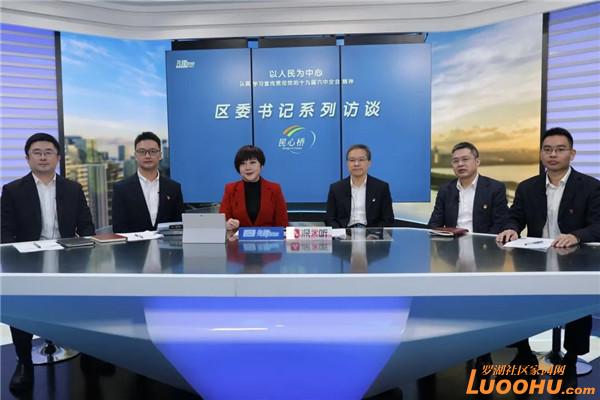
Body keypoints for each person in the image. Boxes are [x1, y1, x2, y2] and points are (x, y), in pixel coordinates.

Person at [497, 127, 600, 375]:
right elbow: (514, 216)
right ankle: (524, 354)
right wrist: (511, 228)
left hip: (574, 259)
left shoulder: (591, 187)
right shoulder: (527, 187)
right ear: (541, 153)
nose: (553, 154)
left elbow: (598, 225)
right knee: (515, 301)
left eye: (560, 149)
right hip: (534, 258)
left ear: (572, 154)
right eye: (547, 149)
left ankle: (571, 359)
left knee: (577, 308)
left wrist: (576, 236)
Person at [1, 132, 95, 393]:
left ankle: (90, 354)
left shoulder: (73, 189)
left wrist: (85, 253)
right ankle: (24, 362)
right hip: (27, 259)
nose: (43, 157)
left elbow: (86, 226)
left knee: (85, 303)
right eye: (37, 153)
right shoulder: (12, 190)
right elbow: (4, 231)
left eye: (48, 152)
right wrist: (17, 257)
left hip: (68, 258)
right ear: (28, 158)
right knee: (21, 308)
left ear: (58, 157)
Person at [428, 142, 508, 234]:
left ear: (477, 162)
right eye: (455, 161)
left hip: (484, 241)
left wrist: (483, 241)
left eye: (465, 159)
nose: (460, 164)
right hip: (452, 241)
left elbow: (500, 224)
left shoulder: (495, 188)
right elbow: (435, 223)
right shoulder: (445, 190)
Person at [112, 132, 184, 233]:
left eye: (153, 151)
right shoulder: (121, 189)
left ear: (160, 155)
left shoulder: (174, 188)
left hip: (167, 243)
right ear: (135, 155)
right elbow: (119, 228)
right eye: (142, 151)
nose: (147, 156)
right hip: (134, 243)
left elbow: (179, 226)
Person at [325, 144, 394, 228]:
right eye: (352, 160)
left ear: (369, 163)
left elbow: (388, 219)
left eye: (361, 160)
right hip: (344, 233)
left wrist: (373, 233)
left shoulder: (381, 188)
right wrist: (341, 233)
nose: (356, 164)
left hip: (372, 234)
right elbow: (330, 219)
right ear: (347, 163)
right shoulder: (336, 188)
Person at [220, 145, 288, 230]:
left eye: (252, 162)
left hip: (268, 238)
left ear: (261, 166)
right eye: (243, 163)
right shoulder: (230, 189)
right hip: (238, 238)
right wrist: (227, 224)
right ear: (238, 168)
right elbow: (222, 223)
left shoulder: (274, 189)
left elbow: (283, 225)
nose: (248, 168)